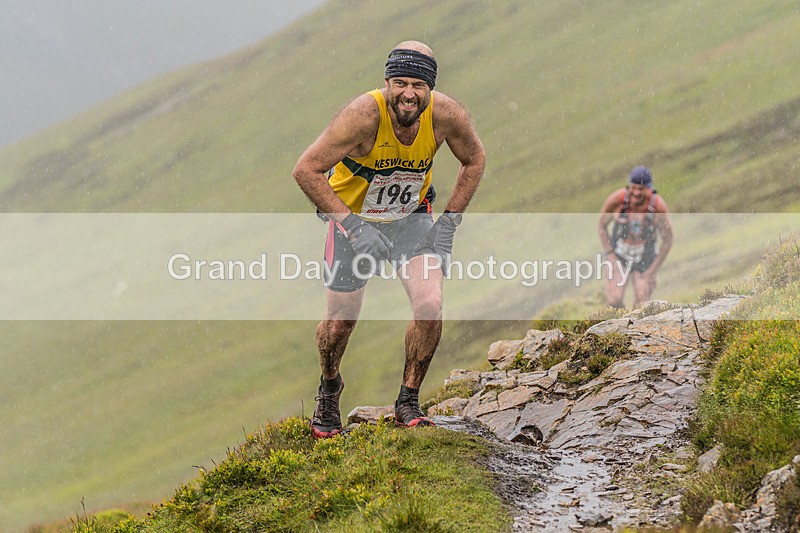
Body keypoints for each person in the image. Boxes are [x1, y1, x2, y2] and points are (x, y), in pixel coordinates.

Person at [292, 41, 485, 438]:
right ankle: (330, 388)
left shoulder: (447, 115)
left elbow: (475, 158)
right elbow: (306, 170)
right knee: (340, 323)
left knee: (429, 305)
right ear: (387, 83)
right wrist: (353, 226)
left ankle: (408, 400)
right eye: (400, 83)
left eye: (418, 84)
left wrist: (448, 223)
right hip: (352, 221)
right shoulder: (363, 115)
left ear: (430, 88)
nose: (408, 94)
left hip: (412, 218)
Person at [597, 166, 673, 309]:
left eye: (642, 189)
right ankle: (615, 327)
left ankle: (634, 328)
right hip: (620, 253)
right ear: (629, 186)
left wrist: (652, 270)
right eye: (634, 188)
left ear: (649, 188)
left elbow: (668, 240)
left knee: (641, 303)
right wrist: (611, 255)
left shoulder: (658, 207)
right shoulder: (617, 200)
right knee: (614, 299)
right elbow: (601, 225)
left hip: (645, 256)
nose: (637, 193)